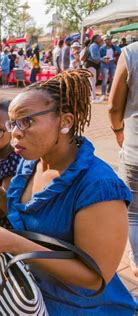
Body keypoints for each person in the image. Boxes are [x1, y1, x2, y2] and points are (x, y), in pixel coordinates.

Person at [0, 69, 134, 315]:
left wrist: (15, 244)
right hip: (23, 283)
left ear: (65, 122)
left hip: (72, 303)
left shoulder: (98, 186)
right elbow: (26, 217)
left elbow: (95, 278)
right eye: (13, 123)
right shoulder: (31, 163)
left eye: (27, 121)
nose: (16, 133)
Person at [109, 42, 138, 277]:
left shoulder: (131, 53)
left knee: (134, 213)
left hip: (135, 148)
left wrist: (118, 130)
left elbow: (113, 106)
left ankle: (137, 261)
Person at [100, 35, 121, 101]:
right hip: (104, 63)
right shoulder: (102, 48)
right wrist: (103, 59)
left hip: (112, 63)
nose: (108, 40)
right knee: (105, 79)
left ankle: (110, 91)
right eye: (106, 39)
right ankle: (103, 93)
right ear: (104, 41)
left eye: (108, 39)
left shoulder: (114, 47)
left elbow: (120, 51)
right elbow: (99, 57)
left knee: (113, 78)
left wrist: (116, 53)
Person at [85, 34, 103, 103]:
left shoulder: (93, 45)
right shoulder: (94, 46)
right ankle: (93, 98)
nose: (100, 38)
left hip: (90, 66)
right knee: (92, 82)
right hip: (91, 66)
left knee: (91, 82)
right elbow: (95, 57)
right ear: (95, 39)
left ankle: (91, 97)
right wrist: (102, 59)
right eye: (99, 37)